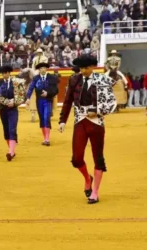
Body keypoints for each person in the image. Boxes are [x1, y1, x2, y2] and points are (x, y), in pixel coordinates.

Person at [59, 54, 117, 204]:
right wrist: (62, 120)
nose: (82, 71)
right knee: (76, 158)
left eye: (85, 68)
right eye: (81, 68)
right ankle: (87, 178)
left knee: (98, 157)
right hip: (80, 119)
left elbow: (111, 102)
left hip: (96, 121)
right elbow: (67, 100)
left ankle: (95, 192)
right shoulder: (74, 79)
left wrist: (97, 111)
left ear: (92, 67)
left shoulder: (102, 79)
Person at [0, 65, 27, 161]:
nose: (4, 75)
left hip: (13, 109)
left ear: (9, 73)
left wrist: (15, 101)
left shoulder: (16, 82)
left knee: (12, 129)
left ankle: (11, 152)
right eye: (2, 73)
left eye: (5, 73)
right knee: (6, 130)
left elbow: (22, 95)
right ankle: (11, 149)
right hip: (3, 109)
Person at [26, 62, 59, 146]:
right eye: (41, 68)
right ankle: (45, 138)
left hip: (48, 100)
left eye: (44, 68)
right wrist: (28, 98)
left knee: (46, 117)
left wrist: (48, 93)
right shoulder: (36, 78)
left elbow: (55, 90)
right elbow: (31, 88)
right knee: (42, 118)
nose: (43, 69)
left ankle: (47, 139)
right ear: (39, 70)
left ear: (46, 69)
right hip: (39, 101)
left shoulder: (51, 78)